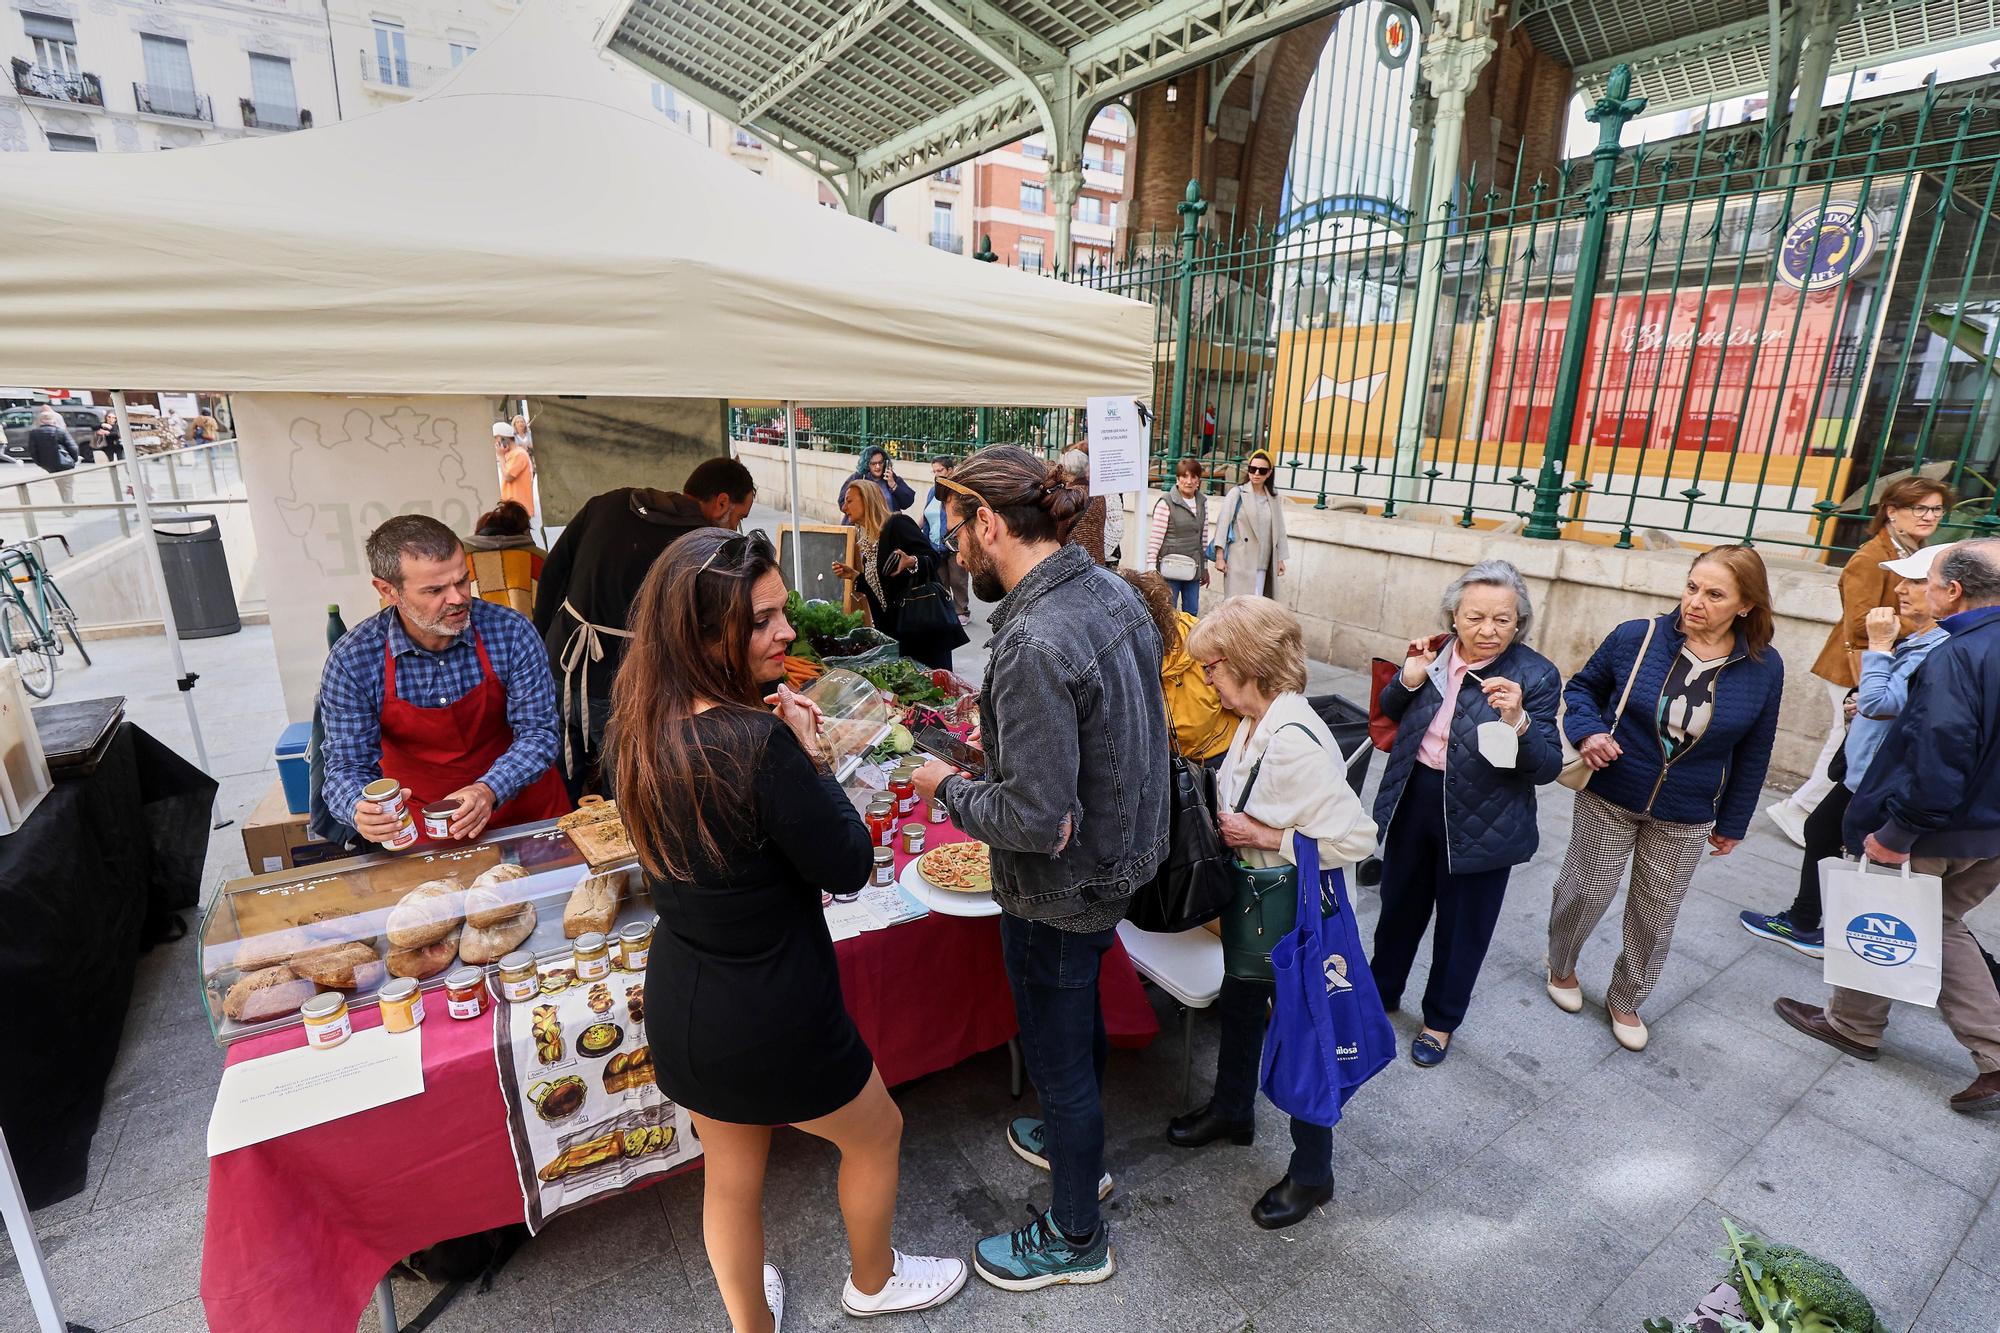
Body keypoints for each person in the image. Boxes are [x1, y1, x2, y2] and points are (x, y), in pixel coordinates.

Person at [608, 530, 966, 1331]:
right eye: (763, 619)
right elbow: (845, 863)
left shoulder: (640, 718)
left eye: (780, 612)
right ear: (705, 636)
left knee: (731, 1174)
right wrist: (808, 756)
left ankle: (750, 1323)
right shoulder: (755, 740)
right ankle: (872, 1281)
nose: (786, 632)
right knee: (877, 1132)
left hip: (686, 1003)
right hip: (772, 1007)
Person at [910, 444, 1169, 1291]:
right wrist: (1008, 750)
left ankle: (1075, 1233)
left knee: (1058, 1059)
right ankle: (1072, 1144)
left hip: (1063, 886)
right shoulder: (1106, 588)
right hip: (1120, 859)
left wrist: (946, 783)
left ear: (989, 523)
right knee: (1076, 1023)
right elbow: (1106, 735)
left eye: (956, 531)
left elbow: (1033, 820)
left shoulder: (1032, 637)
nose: (954, 551)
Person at [1164, 595, 1376, 1228]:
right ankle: (1233, 1110)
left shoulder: (1292, 742)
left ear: (1250, 664)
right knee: (1240, 998)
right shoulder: (1257, 720)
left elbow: (1358, 839)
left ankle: (1314, 1174)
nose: (1206, 677)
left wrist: (1263, 836)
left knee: (1307, 1031)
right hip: (1258, 907)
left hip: (1295, 913)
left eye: (1214, 665)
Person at [1775, 539, 2000, 1115]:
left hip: (1940, 828)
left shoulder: (1957, 653)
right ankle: (1857, 1022)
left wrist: (1899, 832)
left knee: (1903, 914)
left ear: (1951, 591)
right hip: (1988, 831)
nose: (1914, 590)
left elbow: (1939, 753)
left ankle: (1856, 1025)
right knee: (1938, 923)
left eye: (1927, 581)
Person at [1545, 546, 1784, 1051]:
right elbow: (1584, 688)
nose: (1695, 602)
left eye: (1715, 595)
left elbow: (1755, 748)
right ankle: (1561, 966)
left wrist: (1734, 820)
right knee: (1584, 892)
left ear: (1746, 606)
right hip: (1612, 787)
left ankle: (1626, 998)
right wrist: (1588, 734)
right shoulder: (1639, 635)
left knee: (1655, 913)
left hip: (1688, 808)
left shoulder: (1765, 667)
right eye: (1692, 586)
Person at [1369, 561, 1563, 1066]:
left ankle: (1439, 1022)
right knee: (1397, 909)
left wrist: (1519, 720)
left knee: (1464, 927)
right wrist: (1408, 679)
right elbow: (1392, 711)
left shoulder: (1536, 675)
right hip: (1416, 797)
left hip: (1487, 813)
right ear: (1454, 615)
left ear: (1519, 622)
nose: (1489, 631)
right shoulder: (1432, 654)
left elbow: (1546, 767)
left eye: (1504, 620)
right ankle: (1380, 994)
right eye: (1475, 617)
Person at [1741, 542, 1953, 958]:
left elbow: (1884, 704)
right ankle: (1813, 923)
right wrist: (1863, 693)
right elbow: (1888, 700)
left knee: (1855, 849)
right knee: (1826, 831)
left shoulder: (1937, 647)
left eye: (1914, 581)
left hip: (1881, 776)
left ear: (1948, 592)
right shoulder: (1925, 640)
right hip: (1869, 769)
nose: (1900, 590)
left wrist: (1877, 646)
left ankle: (1839, 934)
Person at [319, 515, 569, 848]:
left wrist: (488, 789)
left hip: (526, 818)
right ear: (388, 591)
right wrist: (357, 808)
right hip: (428, 831)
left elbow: (540, 733)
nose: (458, 598)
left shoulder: (511, 632)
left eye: (463, 581)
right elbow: (346, 765)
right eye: (435, 590)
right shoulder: (353, 660)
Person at [535, 458, 756, 797]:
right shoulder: (701, 546)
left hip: (561, 661)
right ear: (722, 502)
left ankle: (560, 842)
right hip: (620, 683)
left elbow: (552, 573)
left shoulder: (607, 502)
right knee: (622, 784)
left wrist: (542, 642)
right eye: (739, 517)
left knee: (563, 773)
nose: (736, 528)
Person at [1770, 477, 1952, 844]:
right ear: (1892, 512)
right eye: (1919, 508)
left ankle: (1809, 810)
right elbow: (1859, 622)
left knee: (1850, 738)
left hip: (1886, 660)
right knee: (1847, 739)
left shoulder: (1913, 551)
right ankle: (1801, 809)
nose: (1929, 516)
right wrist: (1923, 622)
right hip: (1854, 662)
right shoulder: (1871, 556)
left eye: (1935, 509)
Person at [832, 476, 959, 671]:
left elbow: (932, 557)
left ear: (867, 500)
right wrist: (856, 576)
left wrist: (911, 561)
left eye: (849, 501)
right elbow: (882, 589)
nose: (844, 507)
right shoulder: (868, 543)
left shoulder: (898, 524)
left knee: (934, 686)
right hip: (897, 633)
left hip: (922, 628)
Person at [1118, 570, 1238, 763]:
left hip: (1218, 755)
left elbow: (1242, 702)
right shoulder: (1125, 661)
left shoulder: (1205, 643)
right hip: (1166, 764)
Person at [1209, 449, 1289, 598]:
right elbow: (1223, 524)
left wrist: (1280, 559)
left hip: (1264, 561)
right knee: (1236, 606)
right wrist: (1220, 557)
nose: (1257, 473)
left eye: (1262, 470)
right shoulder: (1237, 493)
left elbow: (1279, 530)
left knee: (1257, 607)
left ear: (1269, 473)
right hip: (1239, 559)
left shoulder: (1273, 497)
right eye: (1253, 469)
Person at [462, 500, 549, 618]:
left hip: (477, 634)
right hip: (532, 634)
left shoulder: (461, 558)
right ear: (525, 530)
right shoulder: (541, 558)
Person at [1146, 458, 1209, 615]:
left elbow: (1204, 537)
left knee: (1191, 612)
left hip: (1193, 567)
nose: (1189, 481)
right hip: (1170, 567)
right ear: (1177, 478)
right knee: (1168, 612)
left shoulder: (1202, 502)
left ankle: (1188, 641)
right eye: (1184, 476)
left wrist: (1205, 567)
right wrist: (1151, 567)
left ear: (1198, 480)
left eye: (1193, 477)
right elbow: (1155, 539)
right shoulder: (1166, 503)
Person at [922, 456, 972, 620]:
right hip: (934, 544)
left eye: (940, 470)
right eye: (934, 471)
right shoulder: (932, 491)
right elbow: (926, 515)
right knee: (940, 580)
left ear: (950, 470)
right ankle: (945, 611)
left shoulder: (958, 492)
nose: (937, 474)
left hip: (953, 543)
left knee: (958, 579)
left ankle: (961, 611)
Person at [1059, 449, 1111, 565]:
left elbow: (1060, 534)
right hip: (1096, 562)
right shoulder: (1099, 495)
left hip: (1073, 562)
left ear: (1067, 470)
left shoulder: (1067, 496)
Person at [837, 445, 915, 518]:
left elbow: (908, 501)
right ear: (867, 464)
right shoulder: (858, 478)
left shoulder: (891, 478)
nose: (877, 466)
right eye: (873, 463)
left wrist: (894, 486)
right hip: (864, 528)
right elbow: (843, 503)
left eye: (880, 462)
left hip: (890, 528)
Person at [26, 407, 77, 510]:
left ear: (40, 421)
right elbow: (73, 447)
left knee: (60, 485)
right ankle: (68, 507)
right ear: (53, 420)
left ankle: (68, 504)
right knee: (67, 485)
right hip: (65, 464)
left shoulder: (34, 433)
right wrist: (74, 460)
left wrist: (40, 463)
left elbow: (33, 451)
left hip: (49, 465)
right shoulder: (60, 431)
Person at [494, 421, 535, 516]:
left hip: (518, 509)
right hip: (512, 508)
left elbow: (508, 476)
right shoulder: (509, 454)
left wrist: (500, 457)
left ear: (504, 438)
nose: (495, 442)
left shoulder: (519, 454)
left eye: (496, 438)